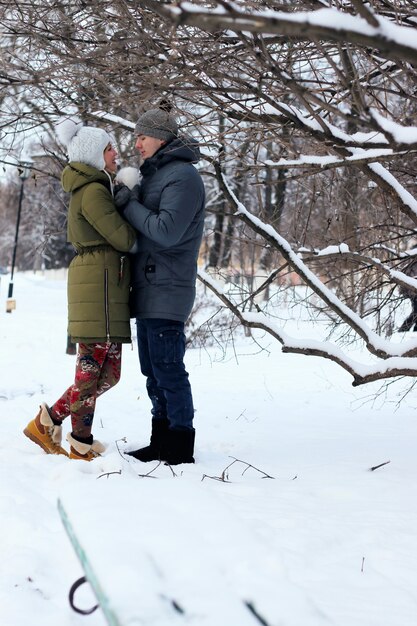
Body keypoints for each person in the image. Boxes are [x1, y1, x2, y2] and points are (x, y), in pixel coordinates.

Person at [23, 119, 138, 461]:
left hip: (106, 286)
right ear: (94, 155)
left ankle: (48, 420)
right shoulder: (92, 191)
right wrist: (128, 197)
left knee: (109, 374)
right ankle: (79, 443)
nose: (116, 153)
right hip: (98, 287)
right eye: (109, 148)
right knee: (89, 372)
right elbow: (124, 238)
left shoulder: (97, 187)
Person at [116, 104, 205, 465]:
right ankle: (160, 440)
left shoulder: (183, 177)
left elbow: (166, 232)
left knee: (168, 368)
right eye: (135, 136)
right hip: (150, 285)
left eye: (142, 136)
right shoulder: (155, 175)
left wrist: (128, 205)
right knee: (152, 370)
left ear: (161, 137)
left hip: (169, 285)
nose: (136, 143)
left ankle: (180, 444)